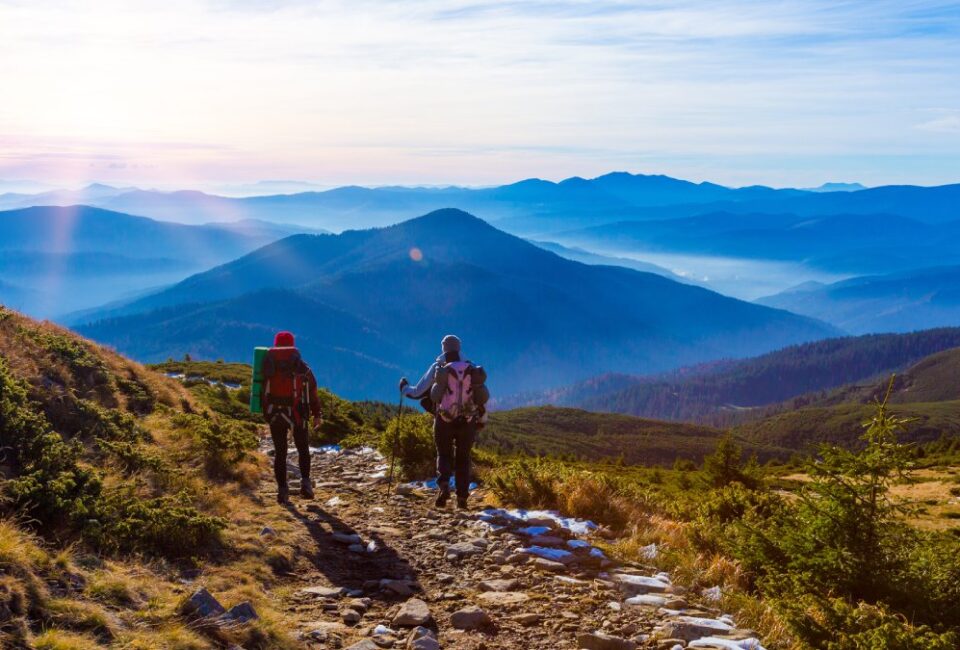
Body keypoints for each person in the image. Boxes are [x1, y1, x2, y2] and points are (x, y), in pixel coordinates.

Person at [399, 335, 486, 509]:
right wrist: (482, 420)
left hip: (444, 419)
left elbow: (418, 392)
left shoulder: (439, 367)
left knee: (444, 454)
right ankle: (462, 498)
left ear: (443, 348)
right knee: (463, 458)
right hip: (468, 420)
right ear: (459, 348)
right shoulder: (472, 368)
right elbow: (481, 397)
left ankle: (444, 487)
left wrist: (404, 387)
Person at [262, 331, 322, 504]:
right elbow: (312, 392)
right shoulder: (301, 366)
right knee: (303, 449)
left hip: (275, 414)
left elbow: (259, 389)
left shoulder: (267, 365)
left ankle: (282, 490)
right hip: (298, 414)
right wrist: (317, 414)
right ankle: (306, 483)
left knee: (280, 452)